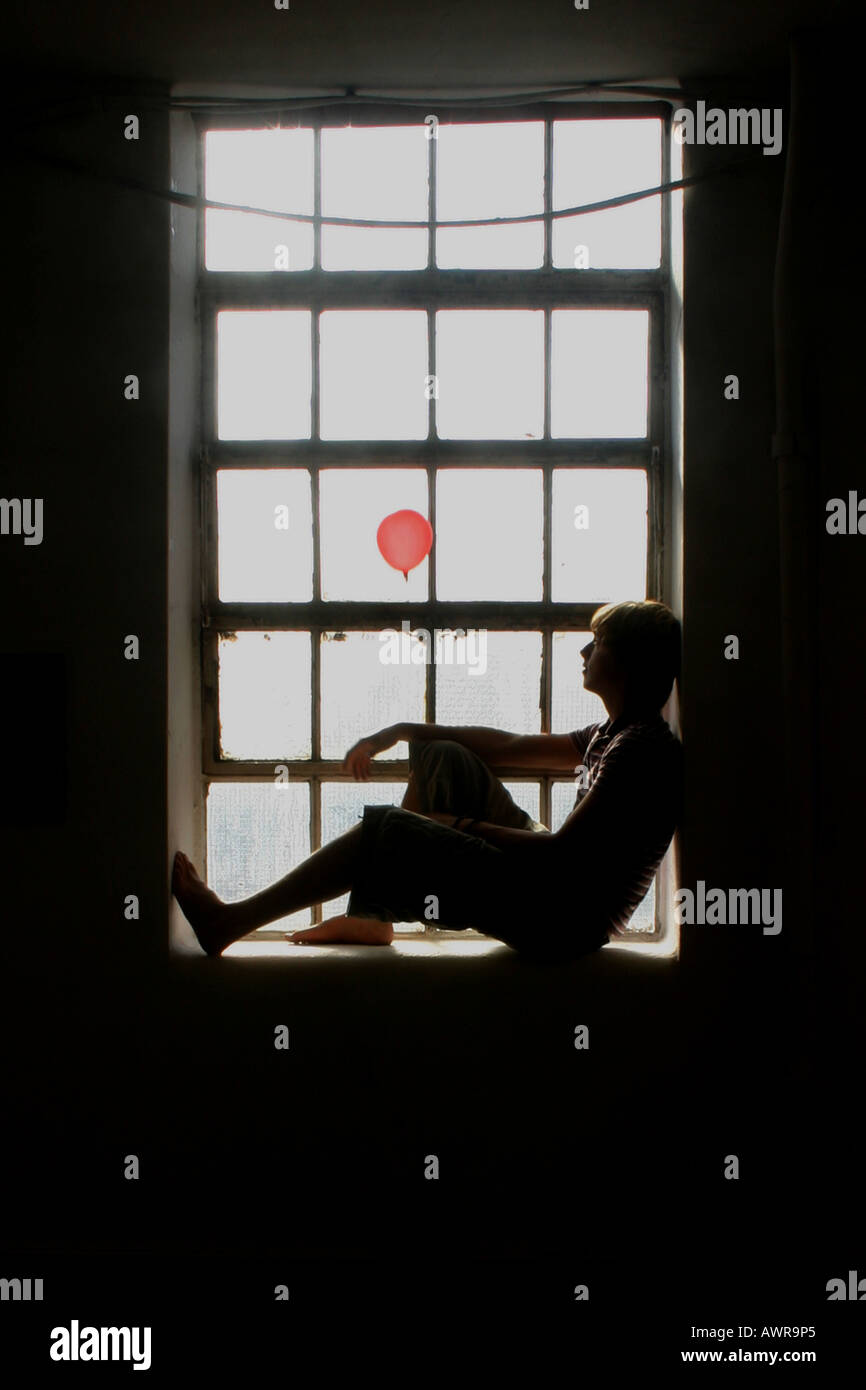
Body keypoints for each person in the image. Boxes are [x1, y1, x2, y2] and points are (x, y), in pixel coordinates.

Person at [172, 599, 682, 963]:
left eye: (599, 643)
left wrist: (455, 824)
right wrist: (401, 730)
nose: (583, 653)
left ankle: (230, 922)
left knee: (390, 829)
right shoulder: (612, 732)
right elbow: (506, 746)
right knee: (444, 756)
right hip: (556, 889)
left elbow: (562, 856)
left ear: (630, 665)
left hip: (561, 920)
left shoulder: (642, 748)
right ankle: (373, 913)